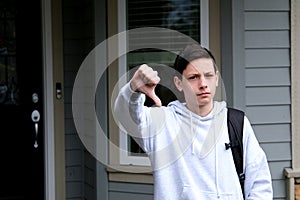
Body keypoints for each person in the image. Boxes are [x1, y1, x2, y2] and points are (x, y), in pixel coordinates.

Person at [114, 44, 273, 199]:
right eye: (193, 77)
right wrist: (133, 89)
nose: (203, 84)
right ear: (178, 83)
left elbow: (260, 184)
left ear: (216, 78)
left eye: (208, 76)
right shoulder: (162, 123)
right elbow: (124, 114)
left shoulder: (236, 123)